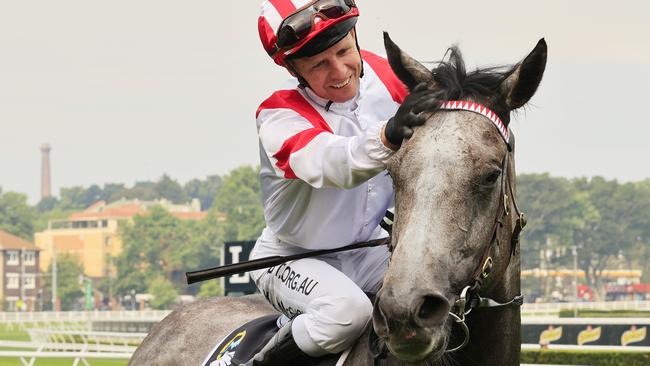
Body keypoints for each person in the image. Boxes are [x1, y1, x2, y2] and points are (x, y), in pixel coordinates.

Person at [245, 1, 436, 364]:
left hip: (367, 249)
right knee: (347, 314)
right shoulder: (278, 115)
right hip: (291, 257)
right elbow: (336, 163)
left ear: (354, 36)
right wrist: (388, 136)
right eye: (318, 64)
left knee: (428, 293)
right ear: (293, 69)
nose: (339, 71)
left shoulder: (386, 76)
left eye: (344, 51)